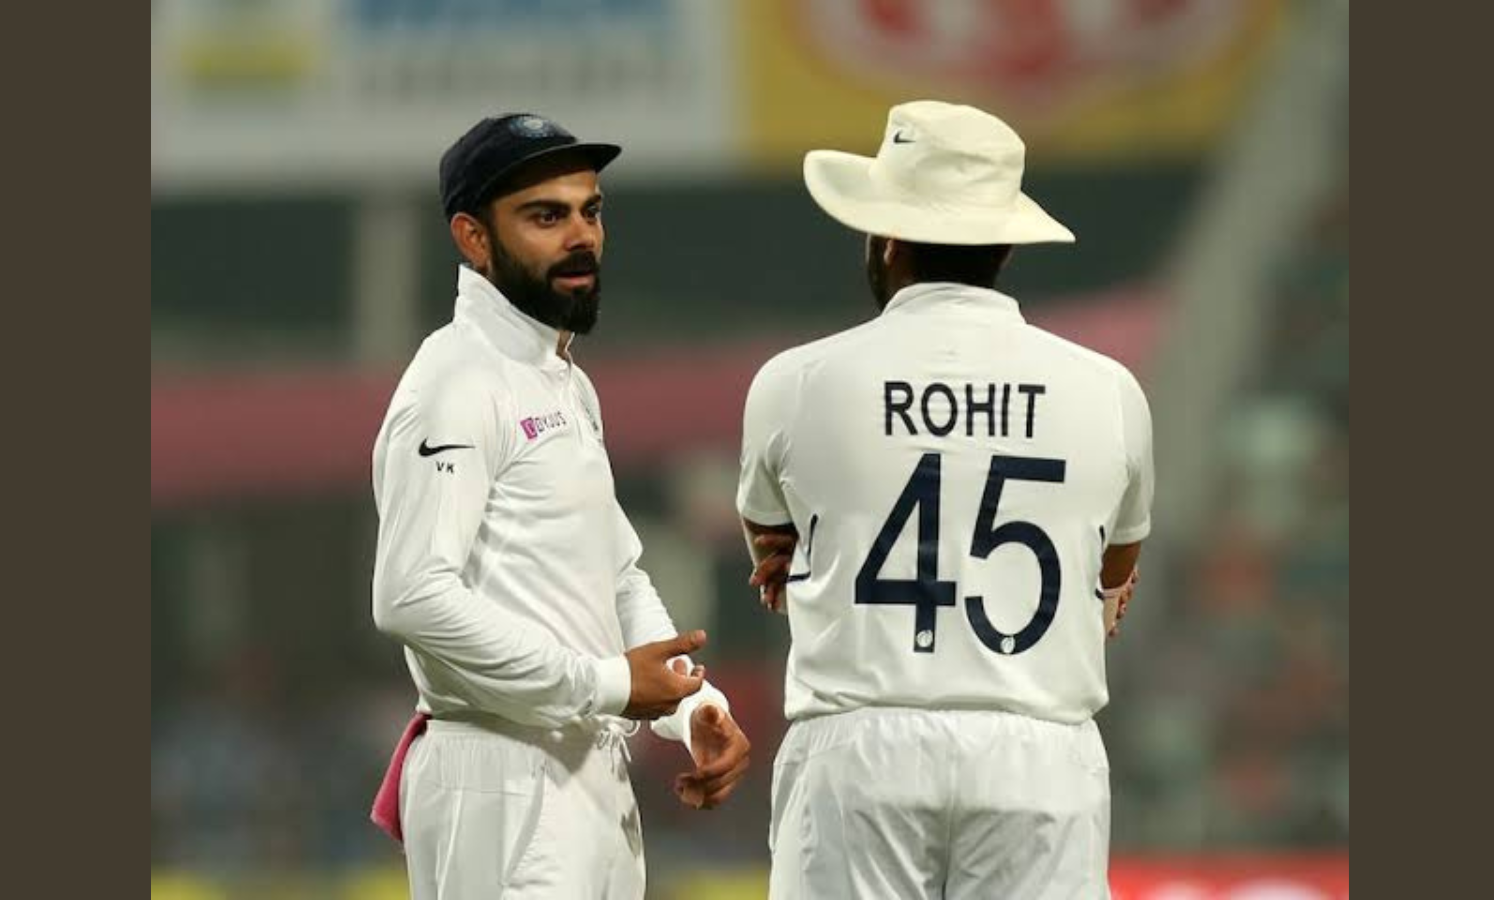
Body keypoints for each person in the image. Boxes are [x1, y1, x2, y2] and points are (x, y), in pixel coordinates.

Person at [737, 100, 1152, 899]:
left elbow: (773, 547)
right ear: (1005, 244)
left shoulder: (796, 381)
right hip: (1039, 752)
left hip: (860, 748)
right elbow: (1115, 571)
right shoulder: (1110, 390)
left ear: (886, 238)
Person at [367, 113, 751, 900]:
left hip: (585, 767)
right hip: (500, 773)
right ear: (473, 238)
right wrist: (606, 684)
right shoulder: (457, 381)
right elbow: (409, 595)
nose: (581, 236)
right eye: (546, 216)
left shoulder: (563, 382)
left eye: (591, 211)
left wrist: (690, 705)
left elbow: (618, 574)